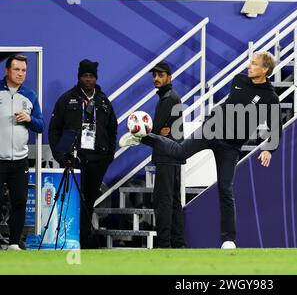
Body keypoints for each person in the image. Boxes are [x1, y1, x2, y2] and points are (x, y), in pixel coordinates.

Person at [119, 51, 282, 249]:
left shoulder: (270, 98)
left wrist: (268, 150)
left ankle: (228, 240)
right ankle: (142, 136)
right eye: (250, 62)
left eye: (254, 64)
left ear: (265, 70)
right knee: (178, 152)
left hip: (231, 147)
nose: (249, 66)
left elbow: (276, 131)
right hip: (211, 130)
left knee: (225, 189)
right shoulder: (239, 79)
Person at [48, 59, 118, 249]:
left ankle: (85, 240)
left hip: (98, 160)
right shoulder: (66, 99)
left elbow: (113, 129)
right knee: (74, 201)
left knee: (89, 201)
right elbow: (54, 130)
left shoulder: (104, 101)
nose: (88, 80)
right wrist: (60, 156)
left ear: (96, 78)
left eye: (91, 76)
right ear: (79, 77)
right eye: (84, 76)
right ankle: (69, 239)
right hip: (74, 160)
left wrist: (108, 156)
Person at [0, 54, 44, 250]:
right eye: (17, 69)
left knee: (20, 201)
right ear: (7, 71)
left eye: (24, 70)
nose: (20, 74)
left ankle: (14, 244)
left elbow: (41, 125)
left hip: (19, 161)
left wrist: (29, 119)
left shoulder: (31, 96)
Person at [147, 62, 185, 248]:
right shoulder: (170, 96)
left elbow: (154, 129)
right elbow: (157, 130)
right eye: (154, 75)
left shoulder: (168, 98)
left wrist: (146, 134)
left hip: (166, 155)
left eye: (160, 75)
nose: (156, 78)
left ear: (169, 77)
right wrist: (156, 132)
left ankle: (163, 244)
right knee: (174, 201)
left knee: (164, 200)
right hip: (173, 154)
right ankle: (177, 243)